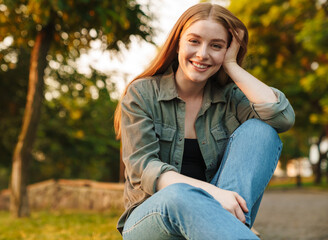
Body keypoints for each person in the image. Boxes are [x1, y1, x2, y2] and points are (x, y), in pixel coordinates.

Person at [114, 3, 295, 240]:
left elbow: (282, 118)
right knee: (179, 195)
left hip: (214, 226)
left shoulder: (230, 98)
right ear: (178, 41)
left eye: (216, 46)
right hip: (153, 220)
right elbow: (145, 169)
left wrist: (231, 65)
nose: (202, 54)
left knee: (261, 131)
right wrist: (212, 193)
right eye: (194, 41)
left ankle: (228, 230)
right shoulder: (142, 94)